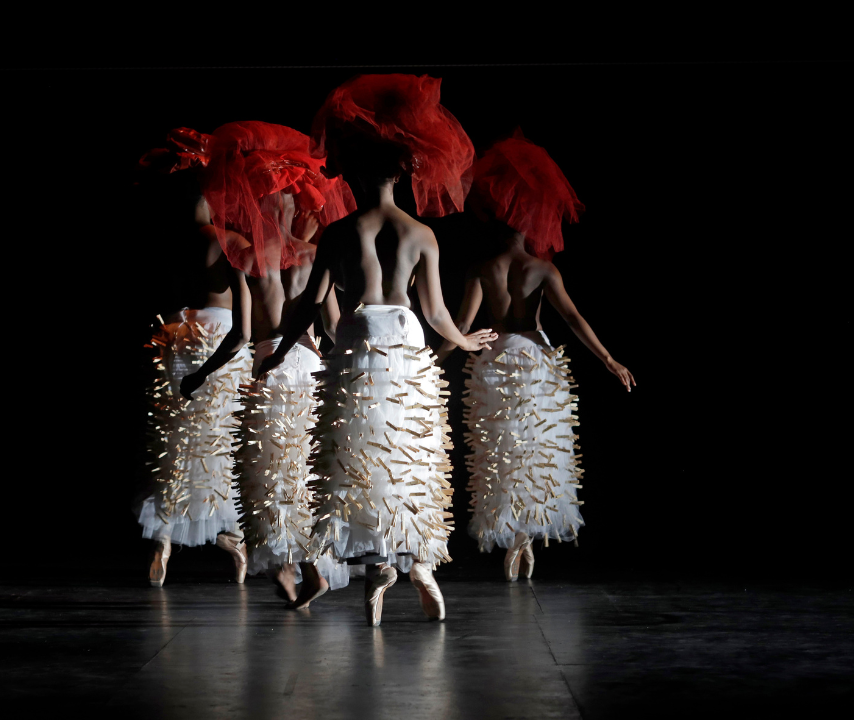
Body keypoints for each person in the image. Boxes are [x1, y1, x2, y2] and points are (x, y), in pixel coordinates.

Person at [257, 74, 497, 625]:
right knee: (408, 452)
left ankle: (376, 571)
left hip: (358, 337)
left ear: (362, 175)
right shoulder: (421, 234)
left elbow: (311, 304)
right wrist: (463, 339)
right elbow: (435, 312)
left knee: (358, 452)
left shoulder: (339, 233)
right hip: (406, 339)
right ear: (403, 173)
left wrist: (279, 353)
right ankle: (418, 564)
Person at [437, 130, 635, 580]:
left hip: (494, 358)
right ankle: (525, 537)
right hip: (535, 361)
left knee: (502, 451)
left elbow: (463, 327)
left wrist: (435, 359)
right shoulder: (542, 268)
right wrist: (608, 359)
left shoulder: (482, 269)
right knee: (538, 448)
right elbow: (574, 318)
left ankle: (513, 534)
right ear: (530, 222)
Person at [179, 121, 355, 608]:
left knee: (269, 470)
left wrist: (200, 373)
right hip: (308, 365)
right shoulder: (314, 255)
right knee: (303, 469)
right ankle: (314, 564)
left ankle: (286, 565)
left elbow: (239, 335)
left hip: (269, 367)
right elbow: (334, 327)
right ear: (298, 207)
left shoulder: (244, 255)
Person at [135, 127, 254, 587]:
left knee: (177, 446)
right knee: (218, 446)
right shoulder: (231, 243)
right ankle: (231, 538)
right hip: (217, 338)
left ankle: (163, 539)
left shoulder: (170, 242)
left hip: (175, 335)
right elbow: (244, 330)